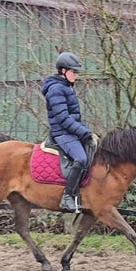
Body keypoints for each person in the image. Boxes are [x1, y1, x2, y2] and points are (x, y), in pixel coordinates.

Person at [41, 51, 94, 213]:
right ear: (63, 71)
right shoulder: (56, 89)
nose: (75, 76)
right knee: (81, 158)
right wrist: (81, 132)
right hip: (62, 133)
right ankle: (68, 197)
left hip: (70, 131)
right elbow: (63, 117)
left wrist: (86, 131)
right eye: (73, 72)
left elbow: (75, 117)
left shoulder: (66, 87)